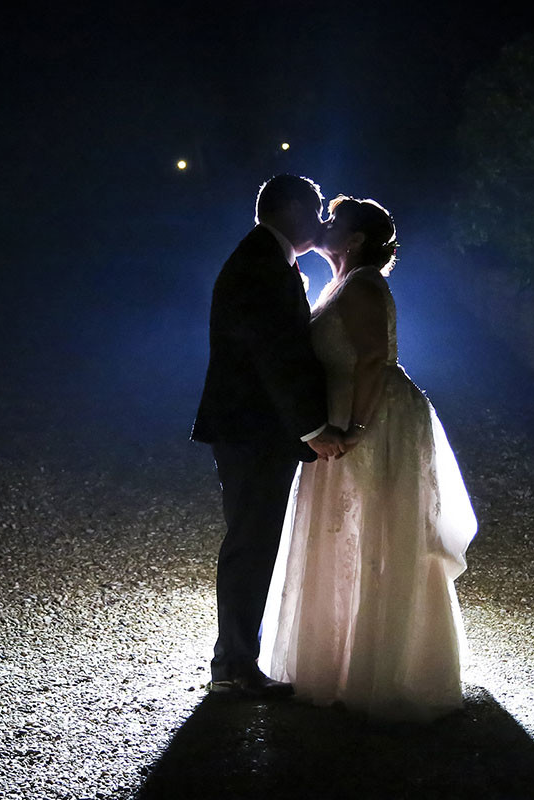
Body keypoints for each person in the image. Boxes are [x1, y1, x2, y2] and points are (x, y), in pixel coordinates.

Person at [259, 195, 477, 722]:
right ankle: (338, 659)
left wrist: (355, 429)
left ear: (355, 239)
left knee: (378, 530)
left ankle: (385, 667)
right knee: (342, 529)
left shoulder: (362, 285)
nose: (323, 224)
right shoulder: (340, 283)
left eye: (333, 219)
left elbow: (374, 358)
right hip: (342, 411)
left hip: (374, 416)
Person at [192, 175, 346, 698]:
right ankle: (234, 666)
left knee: (253, 540)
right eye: (316, 209)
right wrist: (313, 427)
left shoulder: (271, 258)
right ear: (289, 208)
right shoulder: (261, 263)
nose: (322, 219)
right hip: (251, 428)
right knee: (251, 541)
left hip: (251, 427)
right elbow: (273, 355)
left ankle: (236, 662)